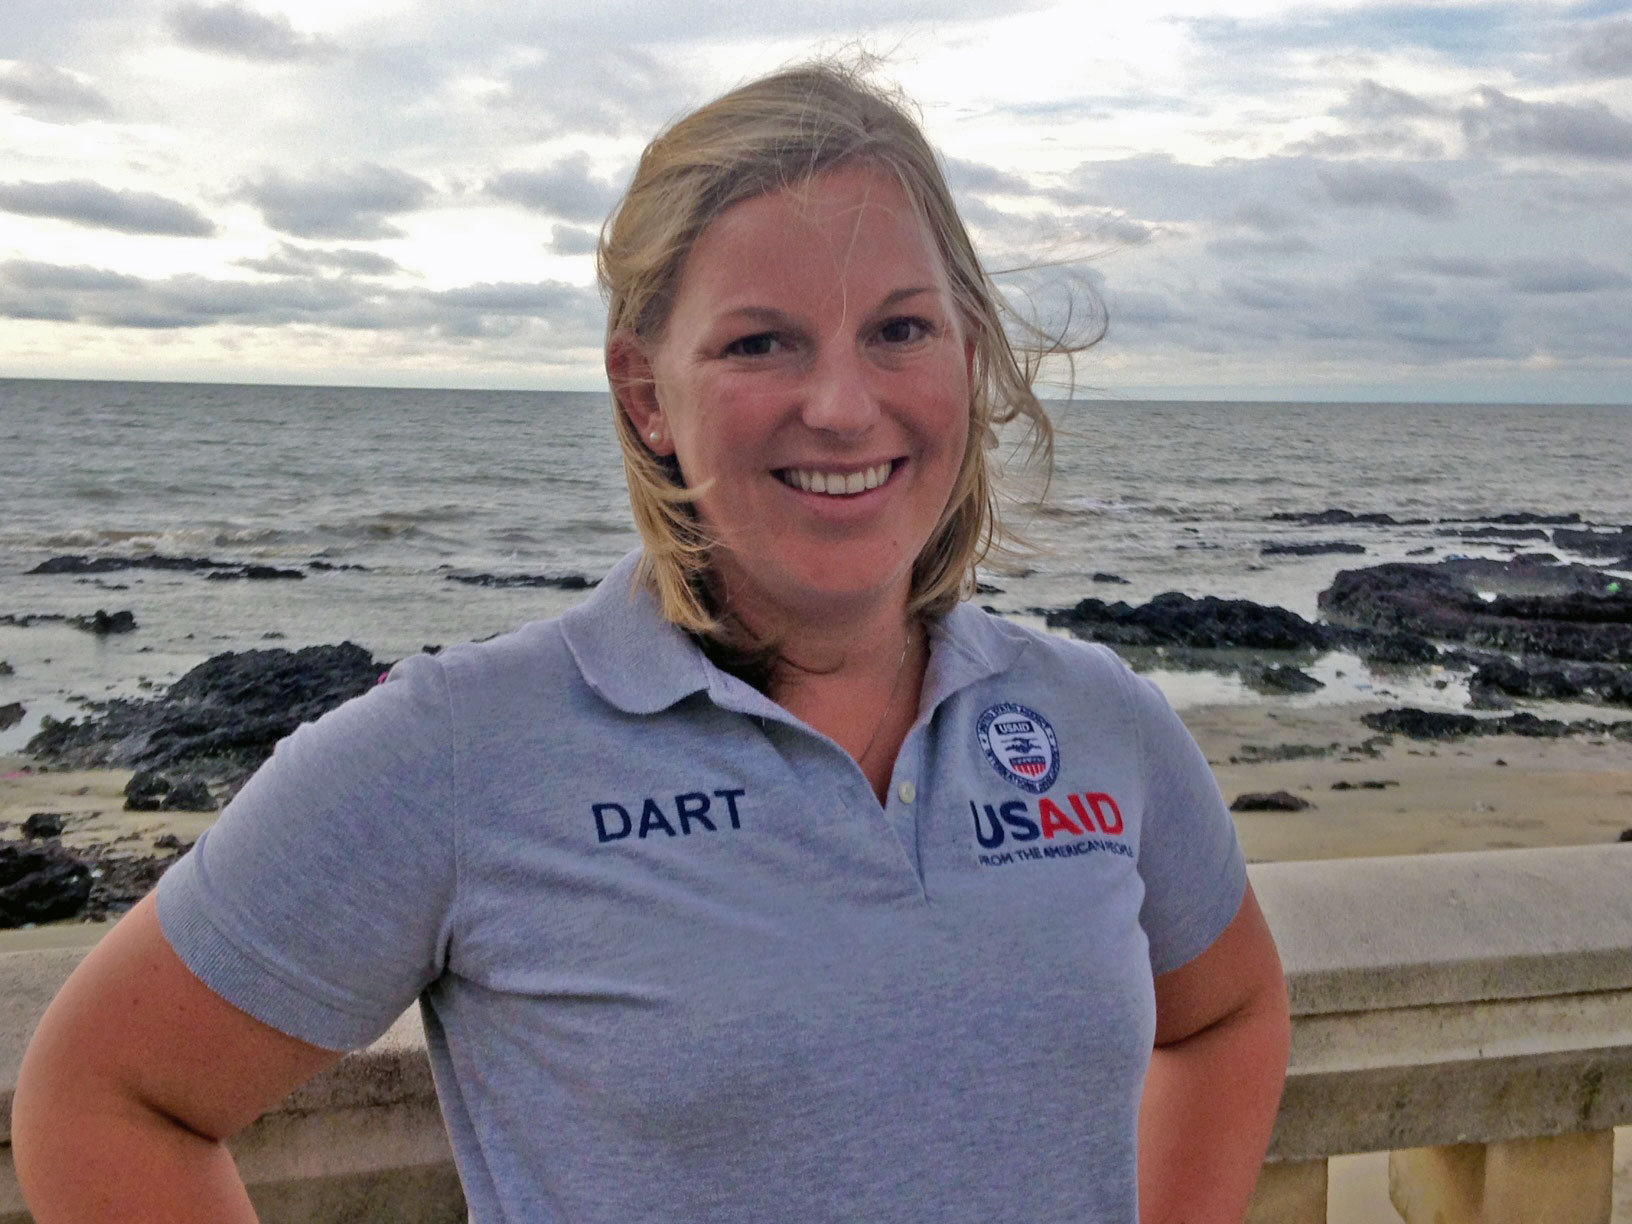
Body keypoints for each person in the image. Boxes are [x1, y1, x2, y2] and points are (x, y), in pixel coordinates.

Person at [13, 61, 1289, 1223]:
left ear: (965, 353)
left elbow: (1228, 1009)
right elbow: (103, 1093)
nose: (843, 408)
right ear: (647, 396)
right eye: (758, 343)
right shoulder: (465, 751)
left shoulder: (1097, 719)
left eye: (899, 329)